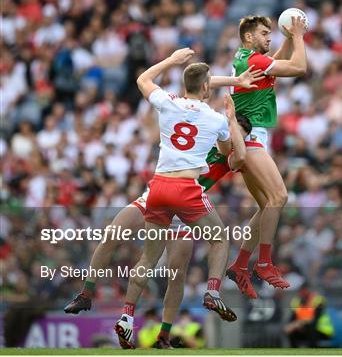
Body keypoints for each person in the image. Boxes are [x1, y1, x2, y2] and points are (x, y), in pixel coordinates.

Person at [64, 113, 253, 349]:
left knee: (176, 273)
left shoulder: (230, 155)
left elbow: (238, 158)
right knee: (113, 235)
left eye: (240, 138)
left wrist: (234, 127)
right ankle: (87, 294)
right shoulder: (205, 133)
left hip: (186, 208)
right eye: (235, 134)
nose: (235, 140)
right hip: (161, 197)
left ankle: (162, 334)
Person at [114, 48, 250, 349]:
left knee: (148, 258)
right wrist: (229, 119)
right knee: (219, 240)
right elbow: (231, 156)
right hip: (186, 189)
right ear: (206, 87)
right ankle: (213, 292)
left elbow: (143, 79)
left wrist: (171, 61)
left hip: (158, 187)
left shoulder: (167, 102)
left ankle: (126, 317)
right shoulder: (214, 118)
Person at [226, 14, 308, 298]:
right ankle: (263, 263)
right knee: (279, 198)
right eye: (264, 33)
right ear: (249, 37)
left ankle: (239, 266)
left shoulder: (250, 59)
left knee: (265, 208)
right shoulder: (253, 60)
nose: (268, 37)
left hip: (249, 136)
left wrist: (286, 39)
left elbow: (276, 61)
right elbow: (298, 67)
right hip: (249, 137)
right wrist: (297, 36)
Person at [284, 283, 334, 348]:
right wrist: (291, 326)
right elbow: (292, 318)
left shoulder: (318, 300)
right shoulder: (297, 302)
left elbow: (315, 320)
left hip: (322, 331)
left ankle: (312, 352)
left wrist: (300, 323)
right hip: (304, 329)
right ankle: (294, 352)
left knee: (311, 328)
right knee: (291, 331)